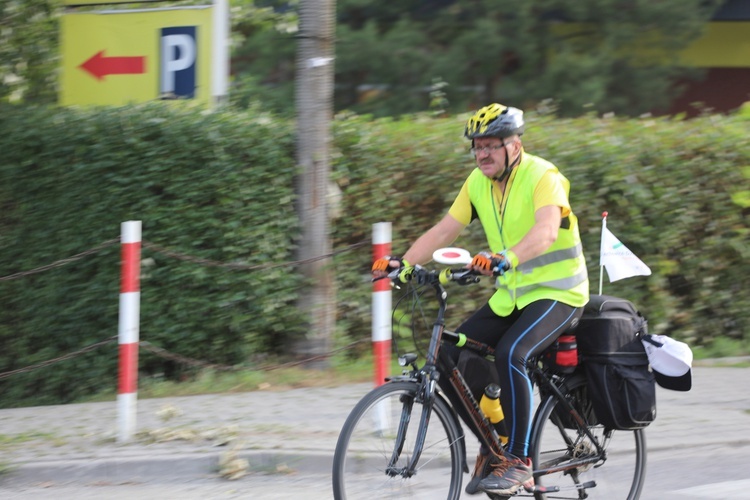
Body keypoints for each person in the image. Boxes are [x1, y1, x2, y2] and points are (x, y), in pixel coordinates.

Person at [372, 103, 589, 496]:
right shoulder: (477, 182)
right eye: (477, 146)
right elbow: (444, 230)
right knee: (451, 354)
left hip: (559, 293)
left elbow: (545, 232)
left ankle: (519, 461)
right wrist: (402, 263)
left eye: (491, 145)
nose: (482, 154)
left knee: (512, 353)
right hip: (512, 297)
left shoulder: (543, 176)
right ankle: (496, 445)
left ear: (515, 145)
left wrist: (506, 257)